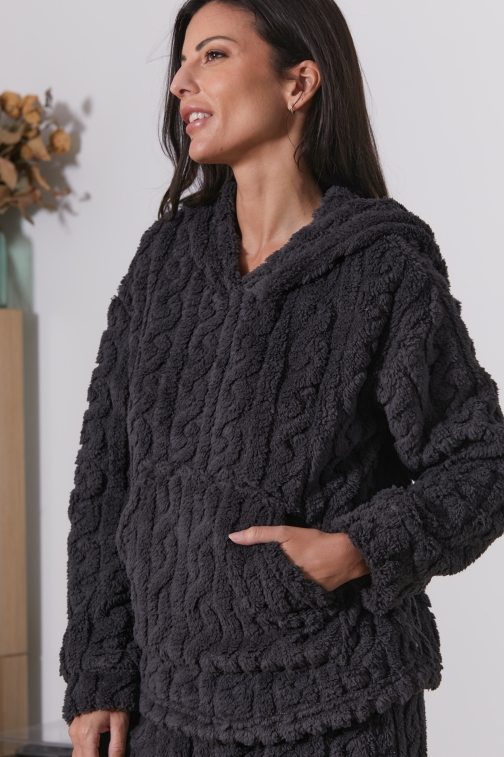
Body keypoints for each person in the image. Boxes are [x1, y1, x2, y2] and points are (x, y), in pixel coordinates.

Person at [60, 1, 504, 755]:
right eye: (182, 60)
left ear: (299, 83)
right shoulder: (164, 262)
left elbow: (481, 463)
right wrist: (99, 674)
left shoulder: (382, 267)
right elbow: (106, 478)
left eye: (213, 55)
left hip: (337, 706)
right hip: (168, 712)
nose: (180, 83)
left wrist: (359, 547)